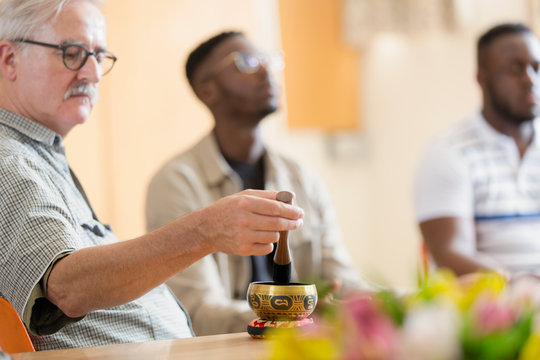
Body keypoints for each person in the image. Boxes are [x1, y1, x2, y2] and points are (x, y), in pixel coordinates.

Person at [0, 0, 304, 351]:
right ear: (9, 60)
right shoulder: (10, 161)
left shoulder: (40, 155)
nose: (93, 73)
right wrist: (205, 230)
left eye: (99, 56)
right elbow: (67, 287)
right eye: (72, 52)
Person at [146, 31, 370, 336]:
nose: (267, 70)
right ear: (208, 90)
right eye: (247, 62)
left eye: (268, 60)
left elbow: (344, 283)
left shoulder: (302, 178)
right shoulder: (175, 183)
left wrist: (401, 305)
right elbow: (197, 311)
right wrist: (297, 318)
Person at [414, 23, 540, 278]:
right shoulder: (449, 153)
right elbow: (450, 254)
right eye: (515, 70)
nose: (530, 80)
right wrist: (521, 287)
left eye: (536, 68)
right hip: (495, 310)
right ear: (482, 79)